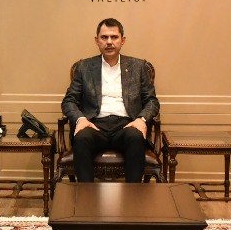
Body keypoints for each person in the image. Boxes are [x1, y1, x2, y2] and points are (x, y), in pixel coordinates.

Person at [59, 17, 161, 184]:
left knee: (136, 137)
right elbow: (69, 101)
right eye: (104, 37)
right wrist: (80, 119)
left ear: (122, 40)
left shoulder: (138, 67)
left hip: (127, 124)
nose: (109, 42)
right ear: (97, 40)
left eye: (114, 37)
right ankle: (86, 196)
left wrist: (141, 120)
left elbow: (152, 101)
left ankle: (132, 196)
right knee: (81, 139)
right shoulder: (84, 67)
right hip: (94, 124)